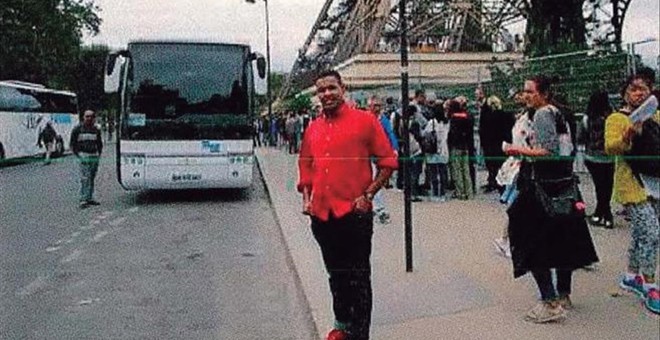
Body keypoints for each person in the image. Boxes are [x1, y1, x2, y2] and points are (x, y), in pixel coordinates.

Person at [298, 70, 398, 340]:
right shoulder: (313, 128)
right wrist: (307, 198)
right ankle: (341, 325)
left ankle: (359, 335)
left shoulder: (365, 121)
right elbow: (305, 166)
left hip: (354, 215)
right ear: (317, 95)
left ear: (343, 88)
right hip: (321, 214)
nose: (327, 94)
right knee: (335, 275)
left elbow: (388, 162)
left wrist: (368, 195)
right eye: (321, 91)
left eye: (332, 88)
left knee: (359, 279)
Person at [504, 75, 598, 323]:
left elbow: (548, 151)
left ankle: (549, 300)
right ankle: (563, 294)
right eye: (524, 91)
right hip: (562, 184)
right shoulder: (560, 112)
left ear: (543, 94)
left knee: (530, 240)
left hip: (542, 186)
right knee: (563, 238)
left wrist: (516, 150)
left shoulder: (543, 114)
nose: (525, 96)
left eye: (529, 91)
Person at [605, 72, 660, 315]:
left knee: (641, 232)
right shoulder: (617, 118)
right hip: (632, 184)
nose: (639, 92)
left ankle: (631, 275)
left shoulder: (656, 116)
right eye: (634, 88)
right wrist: (627, 134)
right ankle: (650, 284)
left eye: (644, 88)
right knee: (652, 232)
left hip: (655, 181)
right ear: (625, 92)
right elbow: (610, 147)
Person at [584, 91, 615, 228]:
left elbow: (581, 137)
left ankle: (600, 214)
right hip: (610, 157)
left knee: (599, 186)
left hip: (593, 157)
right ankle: (606, 215)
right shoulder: (612, 117)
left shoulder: (587, 118)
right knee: (607, 186)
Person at [368, 95, 399, 224]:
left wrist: (394, 148)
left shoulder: (383, 119)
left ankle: (379, 207)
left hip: (380, 154)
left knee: (377, 181)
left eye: (379, 105)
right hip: (368, 155)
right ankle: (375, 206)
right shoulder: (366, 118)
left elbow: (390, 133)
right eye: (375, 105)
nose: (377, 108)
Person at [70, 110, 103, 209]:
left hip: (94, 155)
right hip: (84, 155)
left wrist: (98, 154)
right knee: (85, 177)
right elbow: (72, 143)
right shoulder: (77, 129)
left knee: (92, 177)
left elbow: (99, 143)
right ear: (83, 117)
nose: (89, 118)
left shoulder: (96, 130)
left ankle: (90, 197)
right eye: (87, 116)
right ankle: (83, 199)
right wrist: (78, 155)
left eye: (91, 116)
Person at [447, 99, 474, 200]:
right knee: (466, 171)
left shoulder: (453, 119)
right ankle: (469, 192)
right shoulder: (466, 117)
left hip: (456, 146)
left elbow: (452, 134)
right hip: (465, 146)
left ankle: (460, 193)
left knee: (457, 171)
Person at [423, 102, 450, 202]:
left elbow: (425, 133)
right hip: (443, 150)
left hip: (433, 151)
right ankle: (442, 193)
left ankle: (435, 193)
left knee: (433, 173)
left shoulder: (432, 123)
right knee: (443, 172)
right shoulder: (447, 122)